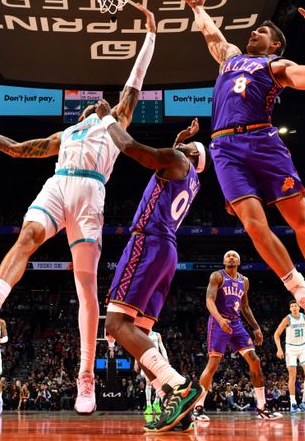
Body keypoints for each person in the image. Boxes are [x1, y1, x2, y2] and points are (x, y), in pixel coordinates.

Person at [0, 3, 156, 415]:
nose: (94, 103)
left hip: (91, 195)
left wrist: (149, 37)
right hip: (58, 185)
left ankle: (85, 376)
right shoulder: (66, 133)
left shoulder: (114, 123)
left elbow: (134, 82)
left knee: (86, 288)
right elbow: (19, 149)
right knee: (26, 236)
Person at [186, 0, 305, 338]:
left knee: (299, 220)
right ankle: (303, 293)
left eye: (263, 32)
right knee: (254, 226)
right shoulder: (229, 57)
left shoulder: (276, 66)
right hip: (225, 147)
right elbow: (212, 34)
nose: (254, 32)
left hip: (262, 140)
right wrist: (197, 7)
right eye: (255, 30)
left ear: (275, 45)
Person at [98, 109, 207, 433]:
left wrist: (108, 120)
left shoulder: (176, 161)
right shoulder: (191, 178)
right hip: (166, 252)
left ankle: (179, 386)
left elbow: (133, 148)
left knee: (116, 324)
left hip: (148, 243)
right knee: (139, 335)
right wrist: (182, 140)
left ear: (188, 154)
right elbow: (171, 157)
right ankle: (173, 402)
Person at [191, 250, 281, 423]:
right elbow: (209, 301)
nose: (231, 257)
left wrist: (256, 328)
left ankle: (262, 407)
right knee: (213, 364)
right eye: (228, 255)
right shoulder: (217, 276)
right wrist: (220, 319)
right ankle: (198, 407)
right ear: (224, 261)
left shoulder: (244, 281)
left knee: (254, 360)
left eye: (234, 255)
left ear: (239, 261)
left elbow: (245, 307)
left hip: (237, 323)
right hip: (218, 323)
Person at [273, 299, 305, 413]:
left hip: (302, 347)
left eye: (295, 306)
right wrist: (279, 349)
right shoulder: (287, 319)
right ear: (290, 309)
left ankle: (304, 401)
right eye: (292, 306)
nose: (294, 308)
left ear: (299, 307)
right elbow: (276, 334)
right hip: (290, 349)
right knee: (292, 376)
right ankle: (293, 403)